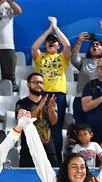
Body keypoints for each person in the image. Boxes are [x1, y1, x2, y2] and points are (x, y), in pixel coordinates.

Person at [31, 16, 70, 164]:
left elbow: (67, 46)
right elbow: (34, 47)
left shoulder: (62, 58)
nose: (51, 43)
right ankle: (40, 160)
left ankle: (56, 162)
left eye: (54, 42)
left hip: (58, 95)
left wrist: (56, 29)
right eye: (49, 41)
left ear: (57, 46)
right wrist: (49, 31)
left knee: (56, 128)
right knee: (40, 127)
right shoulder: (40, 57)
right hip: (42, 94)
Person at [16, 72, 57, 166]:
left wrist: (50, 108)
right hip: (28, 148)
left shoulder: (49, 101)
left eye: (41, 82)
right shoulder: (21, 103)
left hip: (47, 146)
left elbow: (54, 121)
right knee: (27, 177)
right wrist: (40, 106)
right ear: (28, 84)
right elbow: (23, 122)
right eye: (35, 82)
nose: (38, 85)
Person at [71, 21, 102, 97]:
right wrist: (79, 42)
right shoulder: (84, 61)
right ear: (89, 50)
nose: (94, 46)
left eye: (97, 44)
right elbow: (73, 58)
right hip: (82, 97)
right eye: (92, 45)